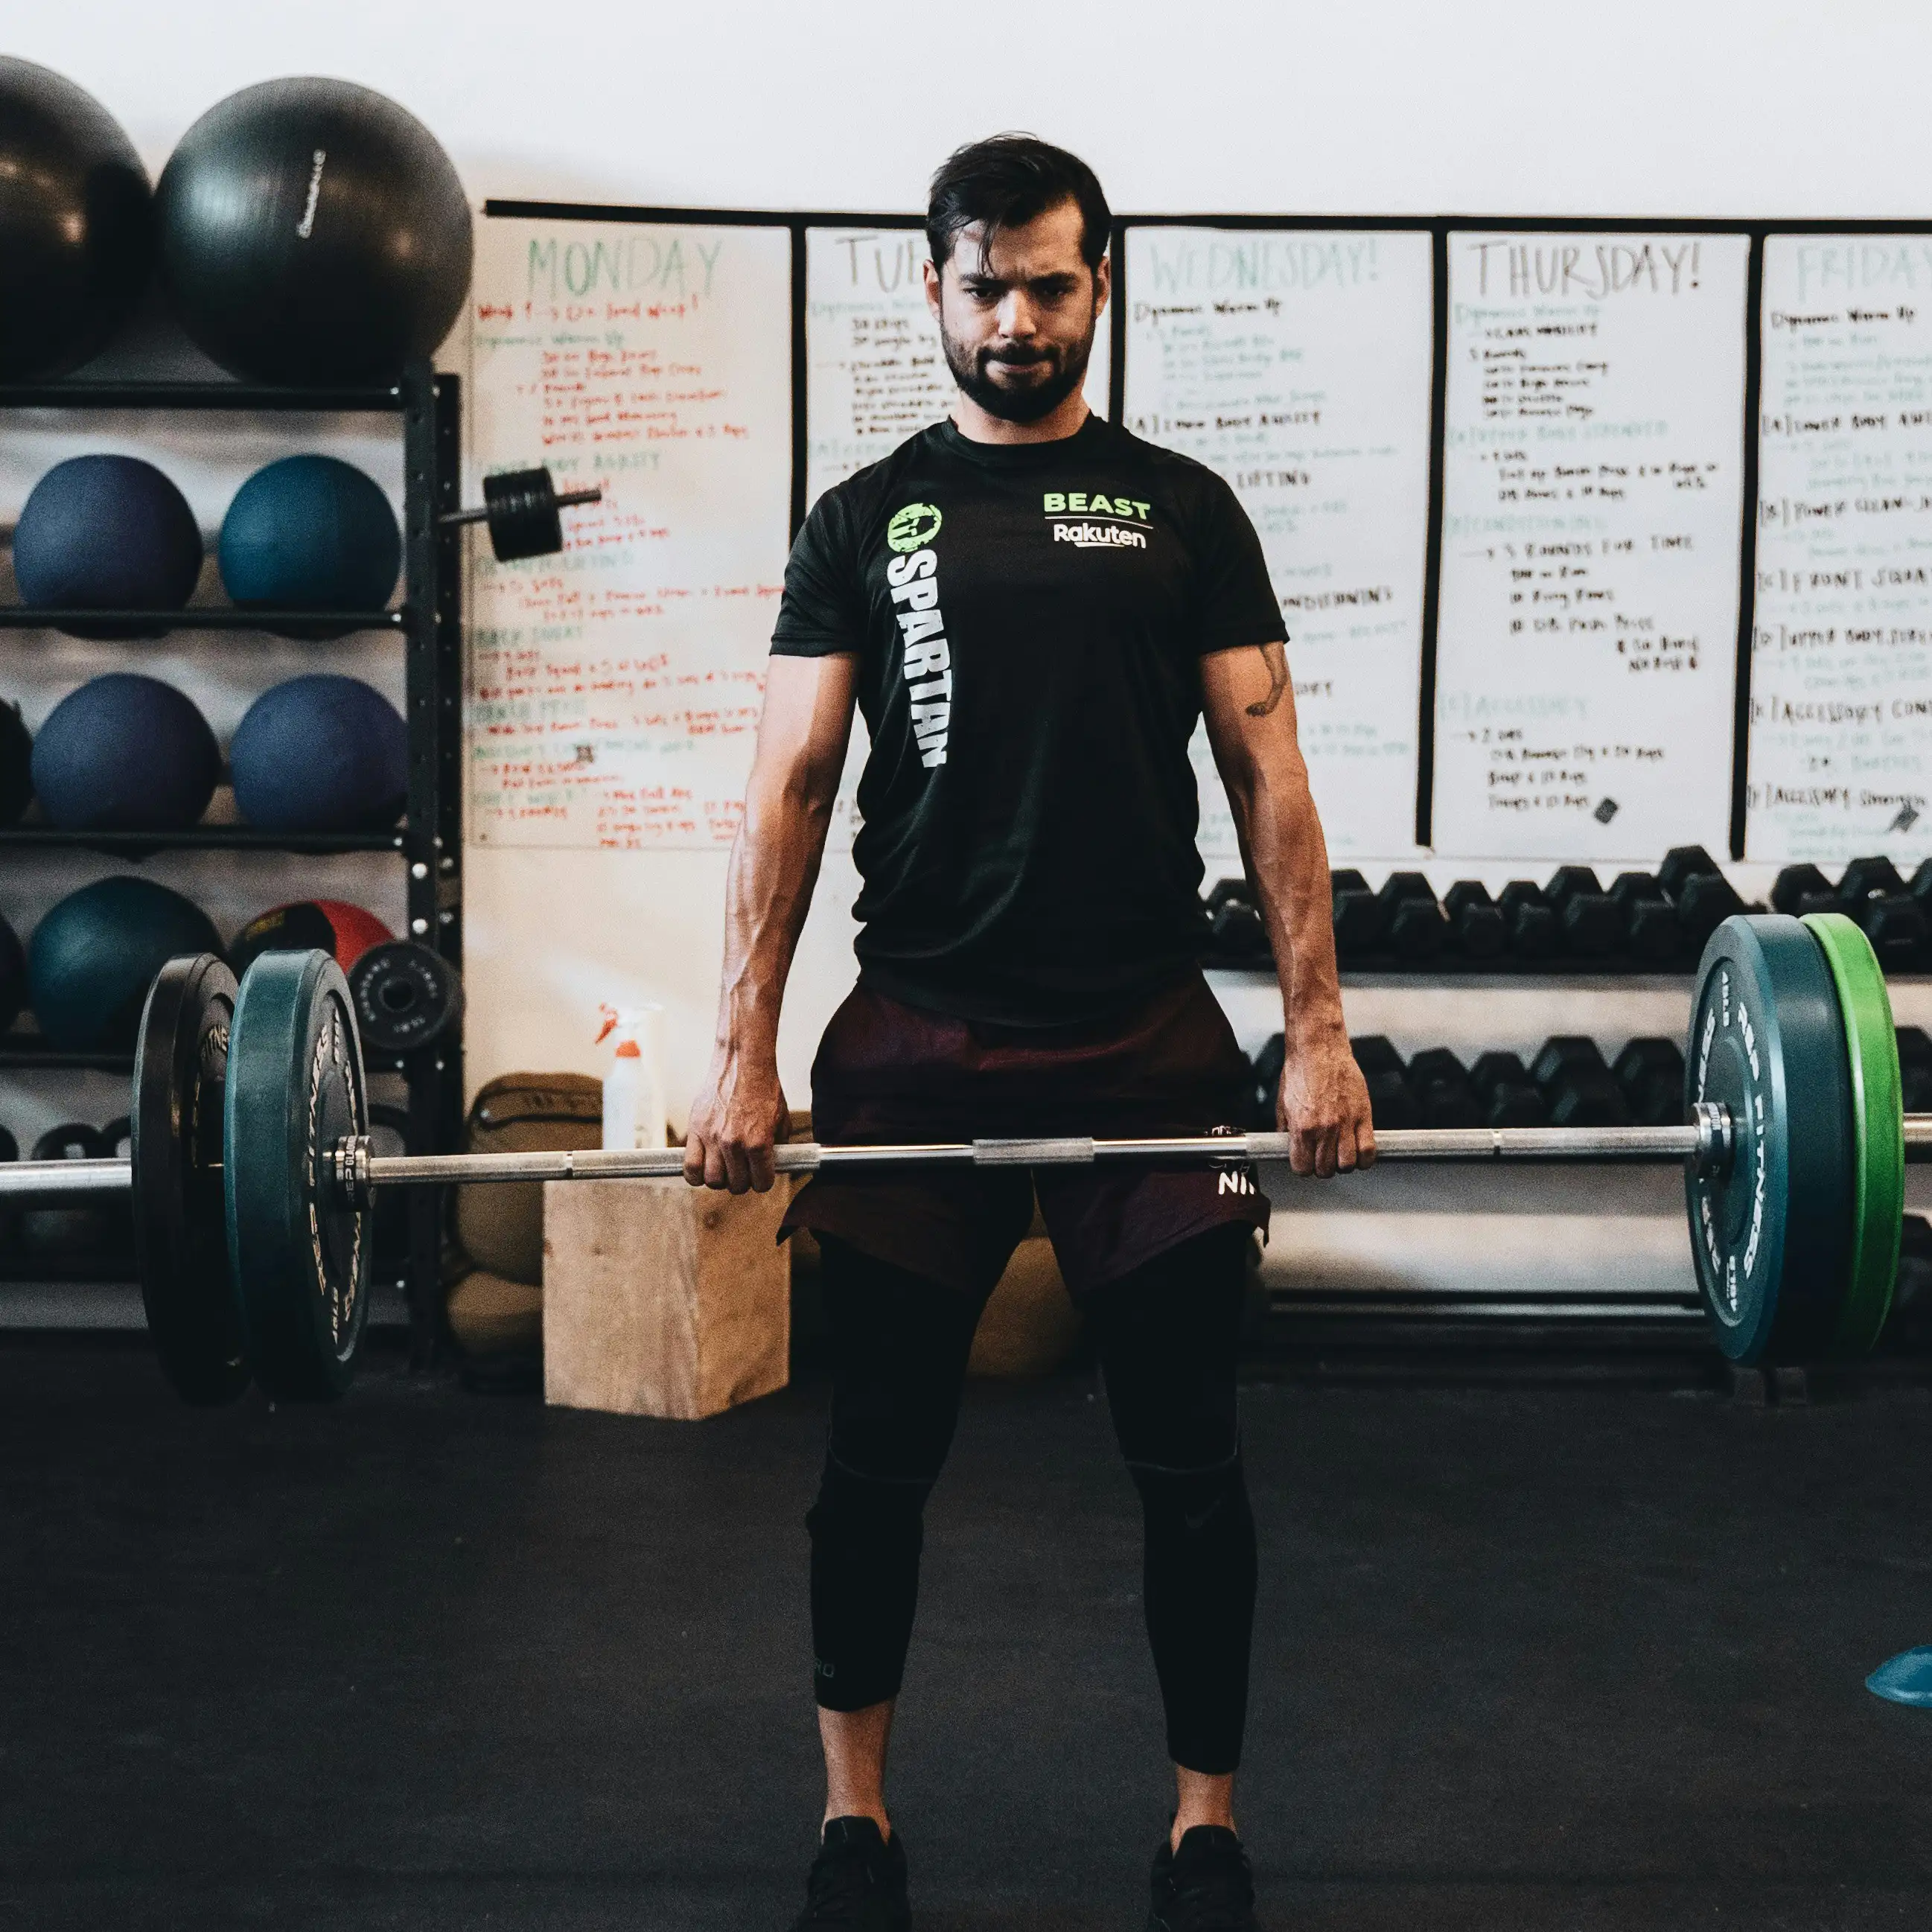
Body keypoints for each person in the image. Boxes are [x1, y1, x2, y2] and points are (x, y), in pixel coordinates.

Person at [685, 133, 1373, 1932]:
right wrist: (744, 1045)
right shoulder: (863, 520)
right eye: (983, 283)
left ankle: (1201, 1822)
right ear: (932, 290)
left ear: (1099, 288)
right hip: (916, 1038)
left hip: (1147, 1042)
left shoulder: (1183, 509)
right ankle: (856, 1821)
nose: (1016, 318)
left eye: (1049, 283)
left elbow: (1269, 777)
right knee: (876, 1456)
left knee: (1190, 1454)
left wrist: (1315, 1033)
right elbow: (788, 787)